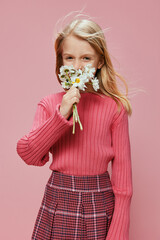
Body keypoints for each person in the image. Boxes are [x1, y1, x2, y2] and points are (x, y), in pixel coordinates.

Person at [16, 16, 133, 240]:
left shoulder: (115, 109)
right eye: (69, 57)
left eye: (86, 58)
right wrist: (62, 113)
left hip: (99, 203)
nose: (77, 66)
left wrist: (118, 233)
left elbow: (124, 184)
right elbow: (28, 154)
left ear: (100, 62)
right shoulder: (49, 104)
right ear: (60, 62)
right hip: (58, 200)